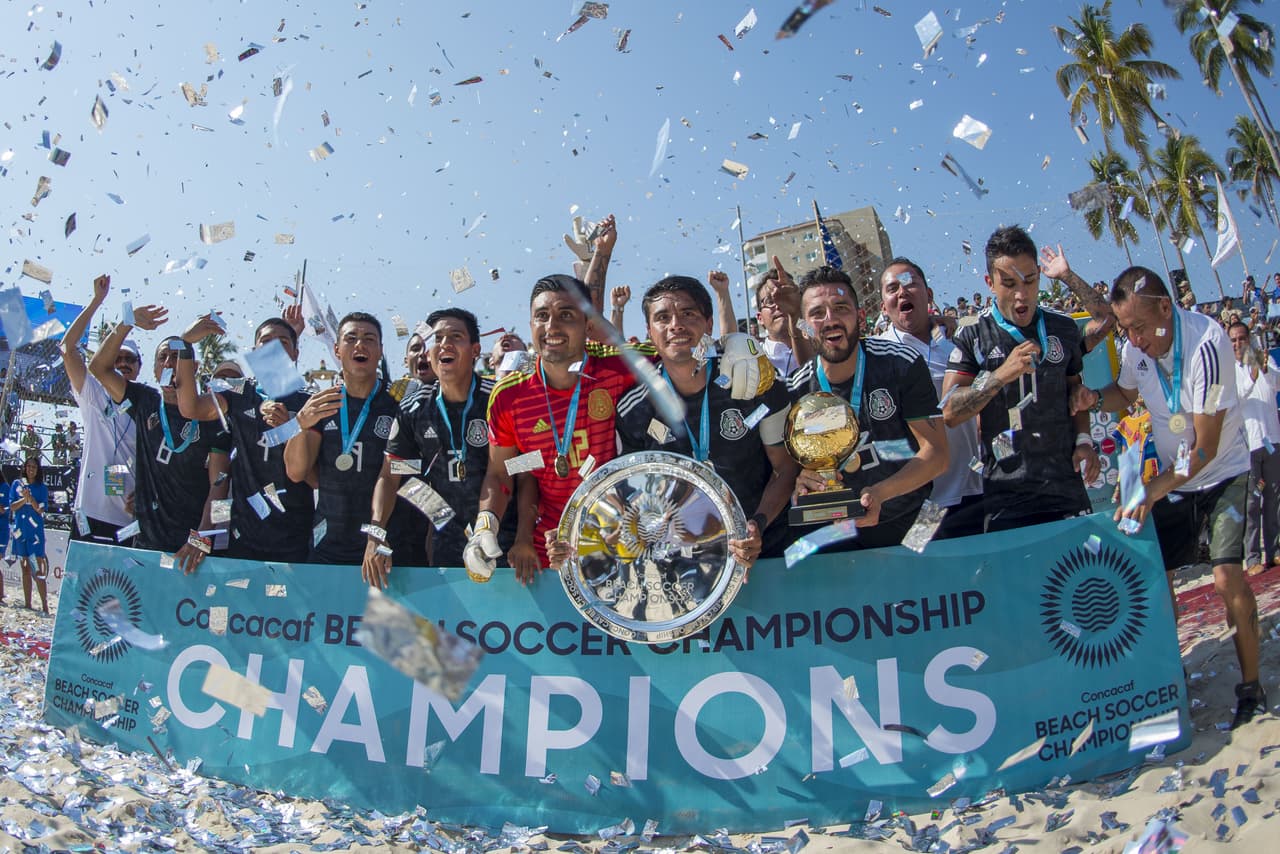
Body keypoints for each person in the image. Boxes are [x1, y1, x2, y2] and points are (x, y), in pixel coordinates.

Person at [1074, 267, 1264, 728]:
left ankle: (1250, 684)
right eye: (1126, 331)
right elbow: (1124, 393)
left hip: (1222, 473)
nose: (1134, 341)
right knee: (1159, 581)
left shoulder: (1209, 344)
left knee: (1225, 579)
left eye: (1139, 329)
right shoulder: (1136, 344)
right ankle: (1169, 676)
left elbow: (1205, 446)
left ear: (1165, 308)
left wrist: (1153, 488)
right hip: (1176, 479)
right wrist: (1092, 399)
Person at [464, 275, 640, 581]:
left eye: (566, 315)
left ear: (588, 325)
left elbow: (676, 354)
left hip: (622, 541)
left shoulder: (619, 367)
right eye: (541, 316)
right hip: (548, 547)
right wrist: (485, 526)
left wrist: (740, 348)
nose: (552, 327)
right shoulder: (509, 396)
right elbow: (503, 471)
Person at [614, 276, 799, 563]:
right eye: (663, 318)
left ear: (709, 324)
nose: (676, 324)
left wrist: (757, 524)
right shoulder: (634, 410)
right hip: (686, 560)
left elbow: (784, 468)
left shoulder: (752, 381)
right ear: (650, 332)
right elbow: (637, 493)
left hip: (766, 547)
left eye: (688, 313)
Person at [941, 225, 1099, 532]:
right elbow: (948, 410)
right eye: (1009, 283)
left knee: (1074, 577)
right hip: (1005, 493)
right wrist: (1000, 375)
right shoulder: (973, 334)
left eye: (1029, 281)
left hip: (1064, 486)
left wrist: (1084, 441)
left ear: (1040, 274)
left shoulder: (1061, 328)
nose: (1021, 294)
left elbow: (1074, 390)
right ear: (990, 283)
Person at [786, 266, 948, 549]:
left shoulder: (901, 363)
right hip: (839, 533)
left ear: (860, 316)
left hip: (917, 520)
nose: (830, 320)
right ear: (803, 325)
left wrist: (880, 493)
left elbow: (938, 454)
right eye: (817, 313)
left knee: (942, 589)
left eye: (840, 308)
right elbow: (789, 474)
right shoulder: (796, 389)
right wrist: (801, 482)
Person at [363, 308, 517, 587]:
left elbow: (529, 465)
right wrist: (376, 533)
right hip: (448, 545)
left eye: (455, 336)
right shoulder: (413, 408)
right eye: (437, 338)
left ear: (475, 350)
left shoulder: (499, 399)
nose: (444, 344)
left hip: (504, 542)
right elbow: (391, 474)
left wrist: (525, 536)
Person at [89, 306, 231, 572]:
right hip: (146, 544)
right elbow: (98, 367)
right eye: (162, 357)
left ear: (193, 367)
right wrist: (127, 322)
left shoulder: (211, 412)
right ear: (154, 369)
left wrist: (204, 536)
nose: (169, 364)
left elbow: (220, 484)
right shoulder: (144, 400)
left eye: (177, 357)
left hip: (191, 550)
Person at [174, 309, 314, 563]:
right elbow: (190, 407)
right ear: (254, 350)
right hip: (244, 543)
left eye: (284, 343)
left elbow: (315, 478)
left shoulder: (309, 403)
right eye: (266, 342)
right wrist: (185, 344)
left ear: (295, 353)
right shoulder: (240, 392)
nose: (275, 348)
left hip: (296, 543)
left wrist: (292, 429)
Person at [876, 258, 985, 538]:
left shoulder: (957, 346)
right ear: (883, 306)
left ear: (930, 294)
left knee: (982, 576)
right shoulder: (877, 356)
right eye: (892, 289)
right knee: (932, 576)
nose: (902, 292)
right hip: (922, 503)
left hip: (974, 489)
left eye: (910, 283)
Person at [285, 312, 402, 565]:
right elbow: (296, 473)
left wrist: (378, 531)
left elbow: (398, 474)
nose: (360, 344)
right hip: (328, 543)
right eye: (351, 338)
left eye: (369, 339)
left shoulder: (398, 406)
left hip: (384, 543)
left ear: (380, 350)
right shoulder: (320, 403)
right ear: (337, 350)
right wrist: (301, 425)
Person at [61, 274, 138, 544]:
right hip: (89, 514)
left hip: (129, 522)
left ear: (139, 367)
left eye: (131, 360)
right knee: (80, 587)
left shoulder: (149, 408)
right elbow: (68, 349)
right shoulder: (94, 395)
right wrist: (96, 301)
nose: (124, 364)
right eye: (118, 359)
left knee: (121, 587)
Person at [1226, 321, 1280, 576]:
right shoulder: (1227, 372)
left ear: (1249, 339)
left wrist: (1266, 370)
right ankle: (1252, 556)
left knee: (1274, 499)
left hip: (1272, 441)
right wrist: (1252, 376)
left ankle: (1275, 550)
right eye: (1233, 340)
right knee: (1252, 503)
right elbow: (1234, 400)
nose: (1238, 344)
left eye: (1241, 339)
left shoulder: (1261, 359)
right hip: (1248, 446)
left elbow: (1277, 385)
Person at [751, 258, 814, 377]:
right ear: (760, 318)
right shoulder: (751, 356)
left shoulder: (822, 337)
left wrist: (796, 315)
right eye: (770, 301)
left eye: (785, 297)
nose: (779, 304)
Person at [10, 456, 50, 614]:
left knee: (38, 570)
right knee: (25, 568)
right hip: (20, 531)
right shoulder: (16, 484)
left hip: (35, 534)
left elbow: (41, 509)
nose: (30, 469)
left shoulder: (41, 487)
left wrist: (31, 498)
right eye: (28, 466)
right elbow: (12, 507)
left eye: (33, 467)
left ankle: (45, 604)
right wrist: (23, 499)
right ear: (25, 468)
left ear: (38, 469)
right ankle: (28, 603)